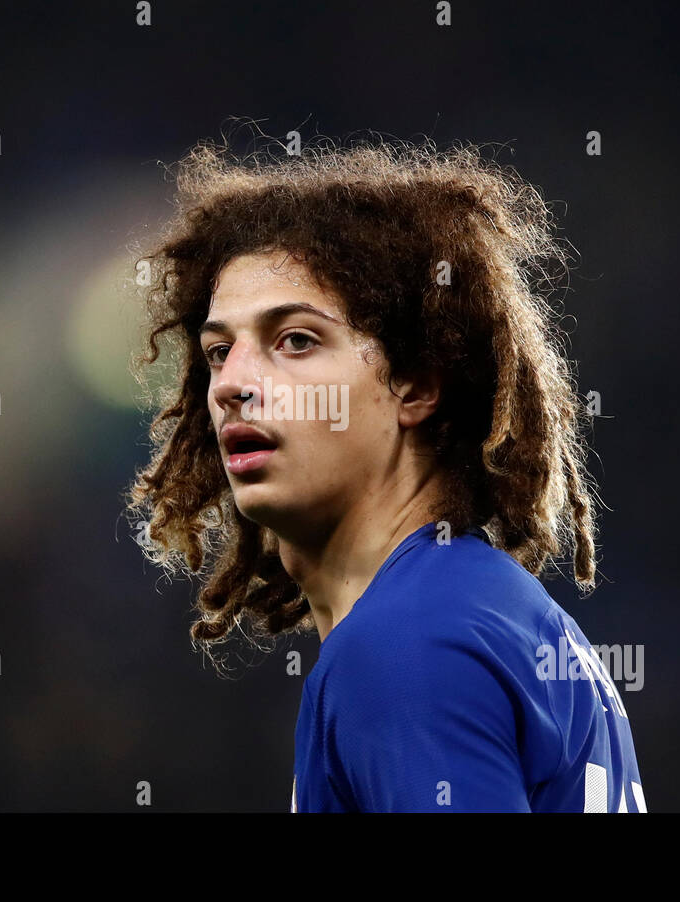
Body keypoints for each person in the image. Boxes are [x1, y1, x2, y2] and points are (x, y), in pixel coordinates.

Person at [127, 137, 645, 812]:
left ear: (415, 387)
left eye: (297, 341)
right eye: (220, 351)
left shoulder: (406, 646)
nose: (232, 385)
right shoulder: (489, 613)